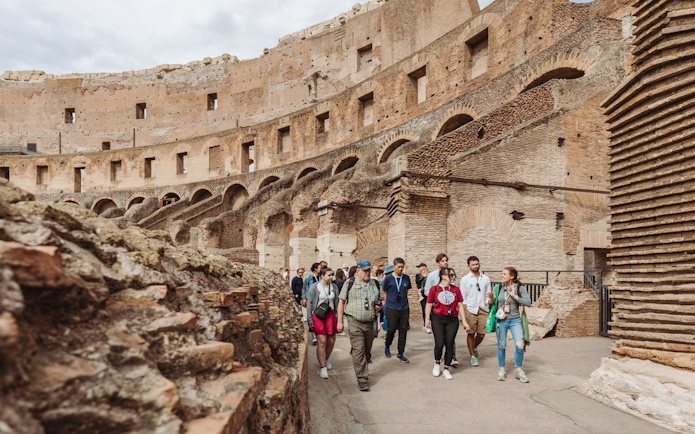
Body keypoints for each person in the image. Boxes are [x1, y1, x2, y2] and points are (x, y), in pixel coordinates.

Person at [337, 260, 383, 391]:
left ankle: (364, 364)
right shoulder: (349, 283)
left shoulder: (375, 283)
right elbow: (341, 302)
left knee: (367, 349)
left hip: (370, 321)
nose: (367, 273)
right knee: (359, 349)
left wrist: (380, 306)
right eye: (365, 270)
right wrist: (340, 321)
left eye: (369, 270)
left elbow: (382, 299)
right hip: (354, 320)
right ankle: (362, 378)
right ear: (358, 271)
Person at [425, 268, 469, 380]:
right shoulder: (434, 289)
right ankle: (437, 363)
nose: (454, 277)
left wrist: (464, 321)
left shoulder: (456, 289)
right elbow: (429, 304)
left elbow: (460, 305)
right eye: (451, 275)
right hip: (438, 319)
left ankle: (446, 368)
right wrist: (427, 319)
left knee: (449, 344)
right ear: (444, 276)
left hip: (452, 319)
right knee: (439, 343)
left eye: (454, 275)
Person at [494, 267, 532, 383]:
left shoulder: (520, 288)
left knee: (520, 345)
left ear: (512, 276)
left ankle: (519, 369)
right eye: (502, 273)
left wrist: (515, 296)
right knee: (502, 345)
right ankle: (502, 369)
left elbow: (528, 303)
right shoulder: (498, 287)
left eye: (505, 274)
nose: (502, 275)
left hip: (515, 320)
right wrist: (490, 299)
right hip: (501, 320)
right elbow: (494, 303)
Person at [424, 253, 459, 365]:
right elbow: (427, 290)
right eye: (443, 261)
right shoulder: (432, 276)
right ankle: (438, 359)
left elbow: (455, 291)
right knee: (439, 341)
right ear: (438, 262)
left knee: (450, 338)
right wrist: (435, 298)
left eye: (446, 260)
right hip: (437, 308)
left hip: (450, 310)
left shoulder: (451, 274)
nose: (445, 262)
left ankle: (451, 357)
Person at [460, 256, 493, 366]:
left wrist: (489, 300)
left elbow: (488, 294)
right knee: (471, 333)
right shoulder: (465, 279)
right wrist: (464, 314)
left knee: (481, 334)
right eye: (473, 264)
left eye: (477, 264)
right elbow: (463, 298)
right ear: (468, 266)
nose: (475, 266)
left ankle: (473, 347)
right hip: (470, 308)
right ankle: (472, 356)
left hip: (483, 308)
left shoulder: (486, 278)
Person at [307, 267, 339, 379]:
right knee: (322, 341)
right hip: (318, 315)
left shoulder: (334, 287)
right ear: (322, 276)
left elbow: (337, 303)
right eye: (329, 275)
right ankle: (322, 367)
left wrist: (338, 318)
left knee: (331, 340)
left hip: (330, 315)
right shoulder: (314, 287)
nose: (331, 277)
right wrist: (309, 319)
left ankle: (326, 358)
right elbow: (310, 303)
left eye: (332, 275)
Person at [382, 258, 412, 362]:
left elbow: (406, 290)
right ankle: (387, 346)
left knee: (403, 331)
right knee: (391, 329)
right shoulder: (388, 279)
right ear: (394, 267)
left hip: (404, 308)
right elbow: (385, 291)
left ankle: (401, 352)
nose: (400, 269)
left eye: (402, 267)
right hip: (392, 308)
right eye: (398, 267)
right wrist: (387, 303)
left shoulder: (406, 278)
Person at [303, 262, 321, 345]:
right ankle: (314, 337)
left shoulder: (322, 278)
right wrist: (304, 298)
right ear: (315, 269)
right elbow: (304, 288)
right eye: (319, 267)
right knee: (311, 318)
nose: (321, 269)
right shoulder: (308, 278)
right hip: (311, 299)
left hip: (320, 300)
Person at [415, 262, 430, 333]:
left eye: (420, 267)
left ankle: (429, 323)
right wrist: (423, 277)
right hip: (421, 293)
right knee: (424, 309)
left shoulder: (429, 274)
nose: (419, 268)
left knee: (430, 309)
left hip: (428, 293)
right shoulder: (418, 275)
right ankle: (425, 324)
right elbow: (417, 282)